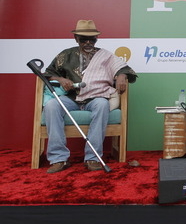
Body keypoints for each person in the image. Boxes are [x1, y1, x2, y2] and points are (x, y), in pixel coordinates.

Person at [42, 20, 137, 173]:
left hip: (96, 98)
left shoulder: (105, 56)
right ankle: (59, 158)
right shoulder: (65, 55)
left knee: (102, 105)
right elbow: (47, 74)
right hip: (72, 98)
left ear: (96, 39)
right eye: (83, 39)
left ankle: (92, 158)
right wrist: (61, 79)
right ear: (76, 39)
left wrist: (121, 75)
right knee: (52, 105)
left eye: (92, 39)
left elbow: (125, 69)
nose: (88, 42)